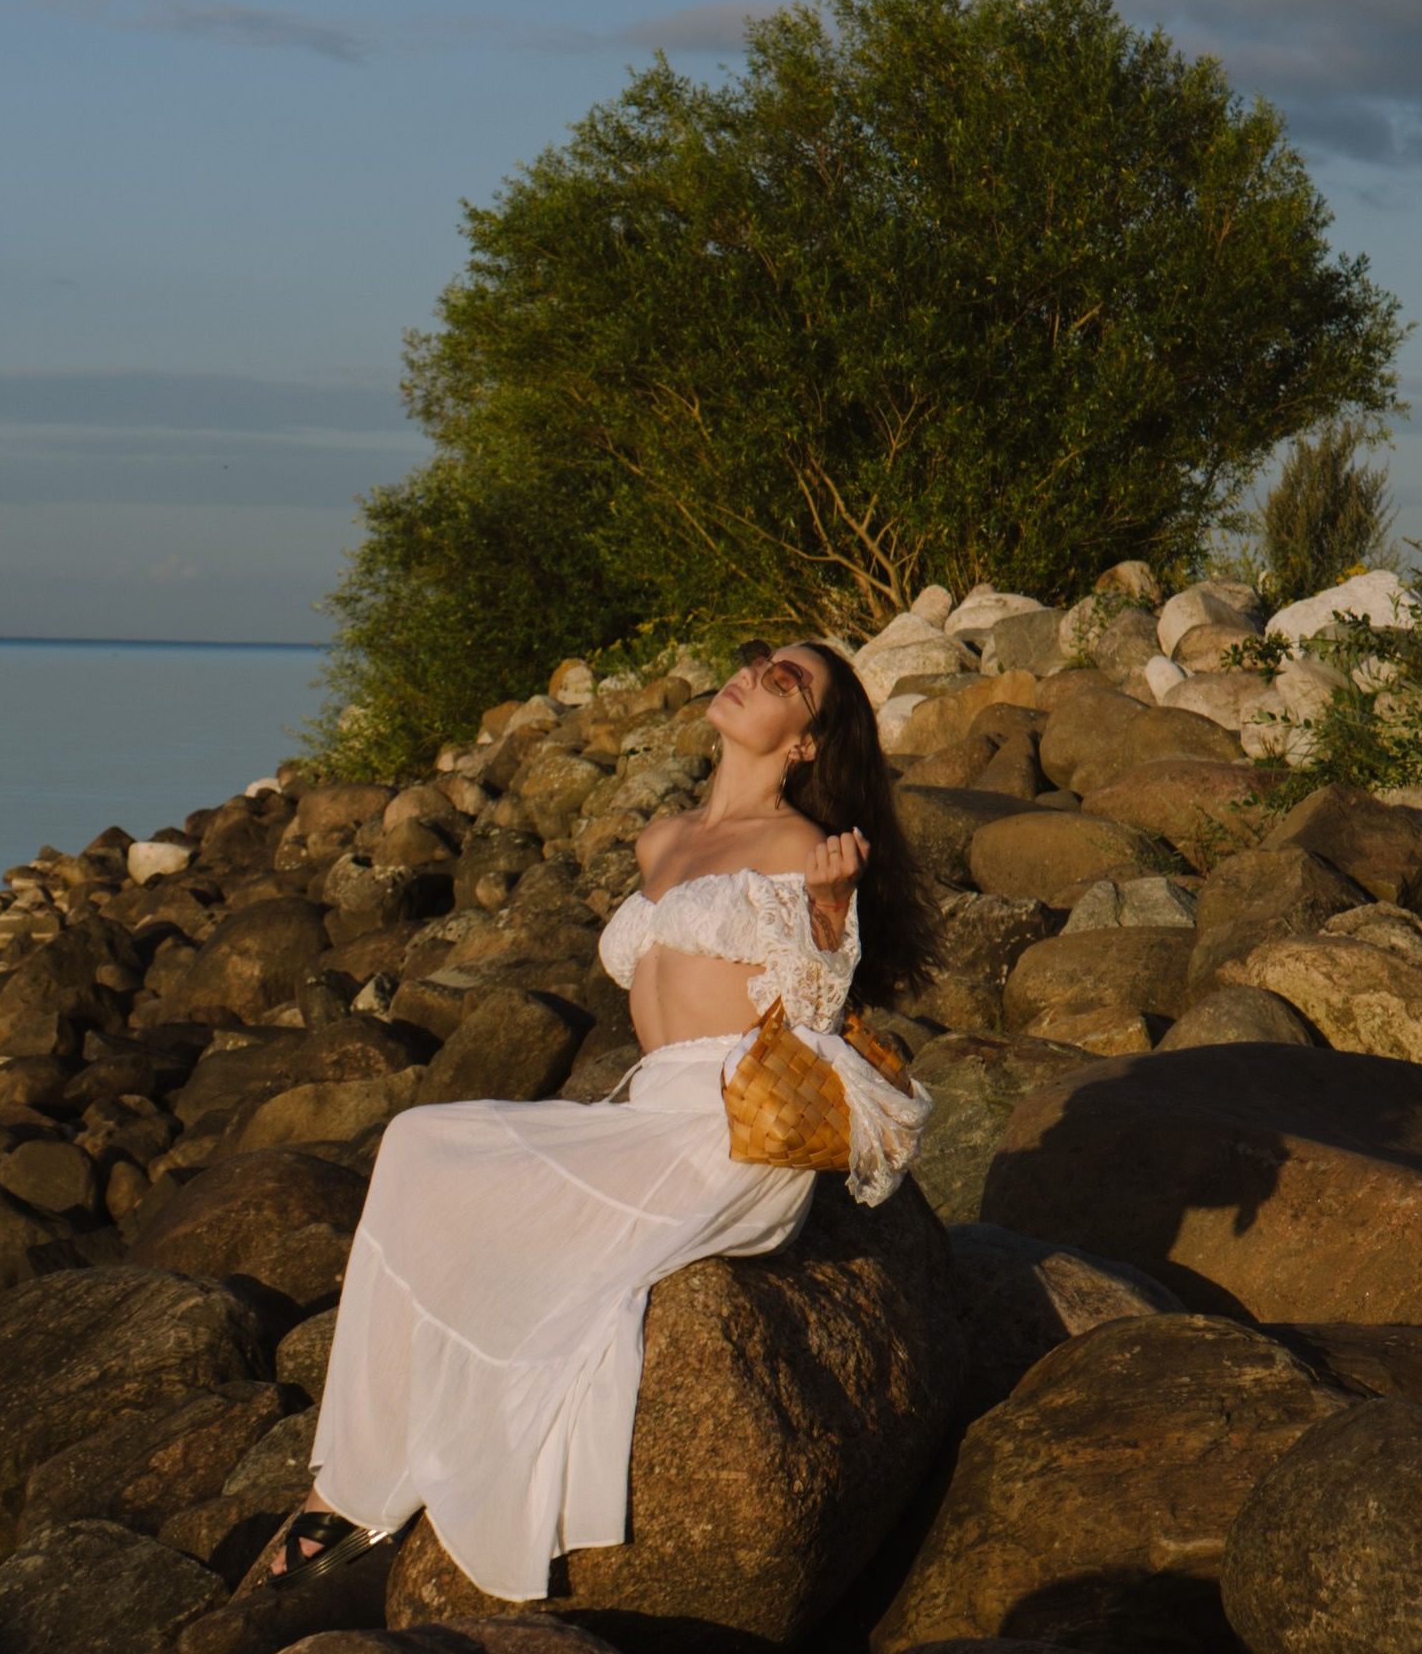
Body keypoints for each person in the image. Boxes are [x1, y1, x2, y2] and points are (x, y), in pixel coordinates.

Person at [271, 639, 942, 1602]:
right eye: (754, 659)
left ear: (805, 743)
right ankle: (358, 1473)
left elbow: (810, 1013)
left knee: (464, 1186)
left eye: (785, 682)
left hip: (727, 1129)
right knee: (421, 1142)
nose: (750, 672)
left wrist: (831, 913)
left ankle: (364, 1493)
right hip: (648, 1107)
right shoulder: (661, 840)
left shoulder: (800, 845)